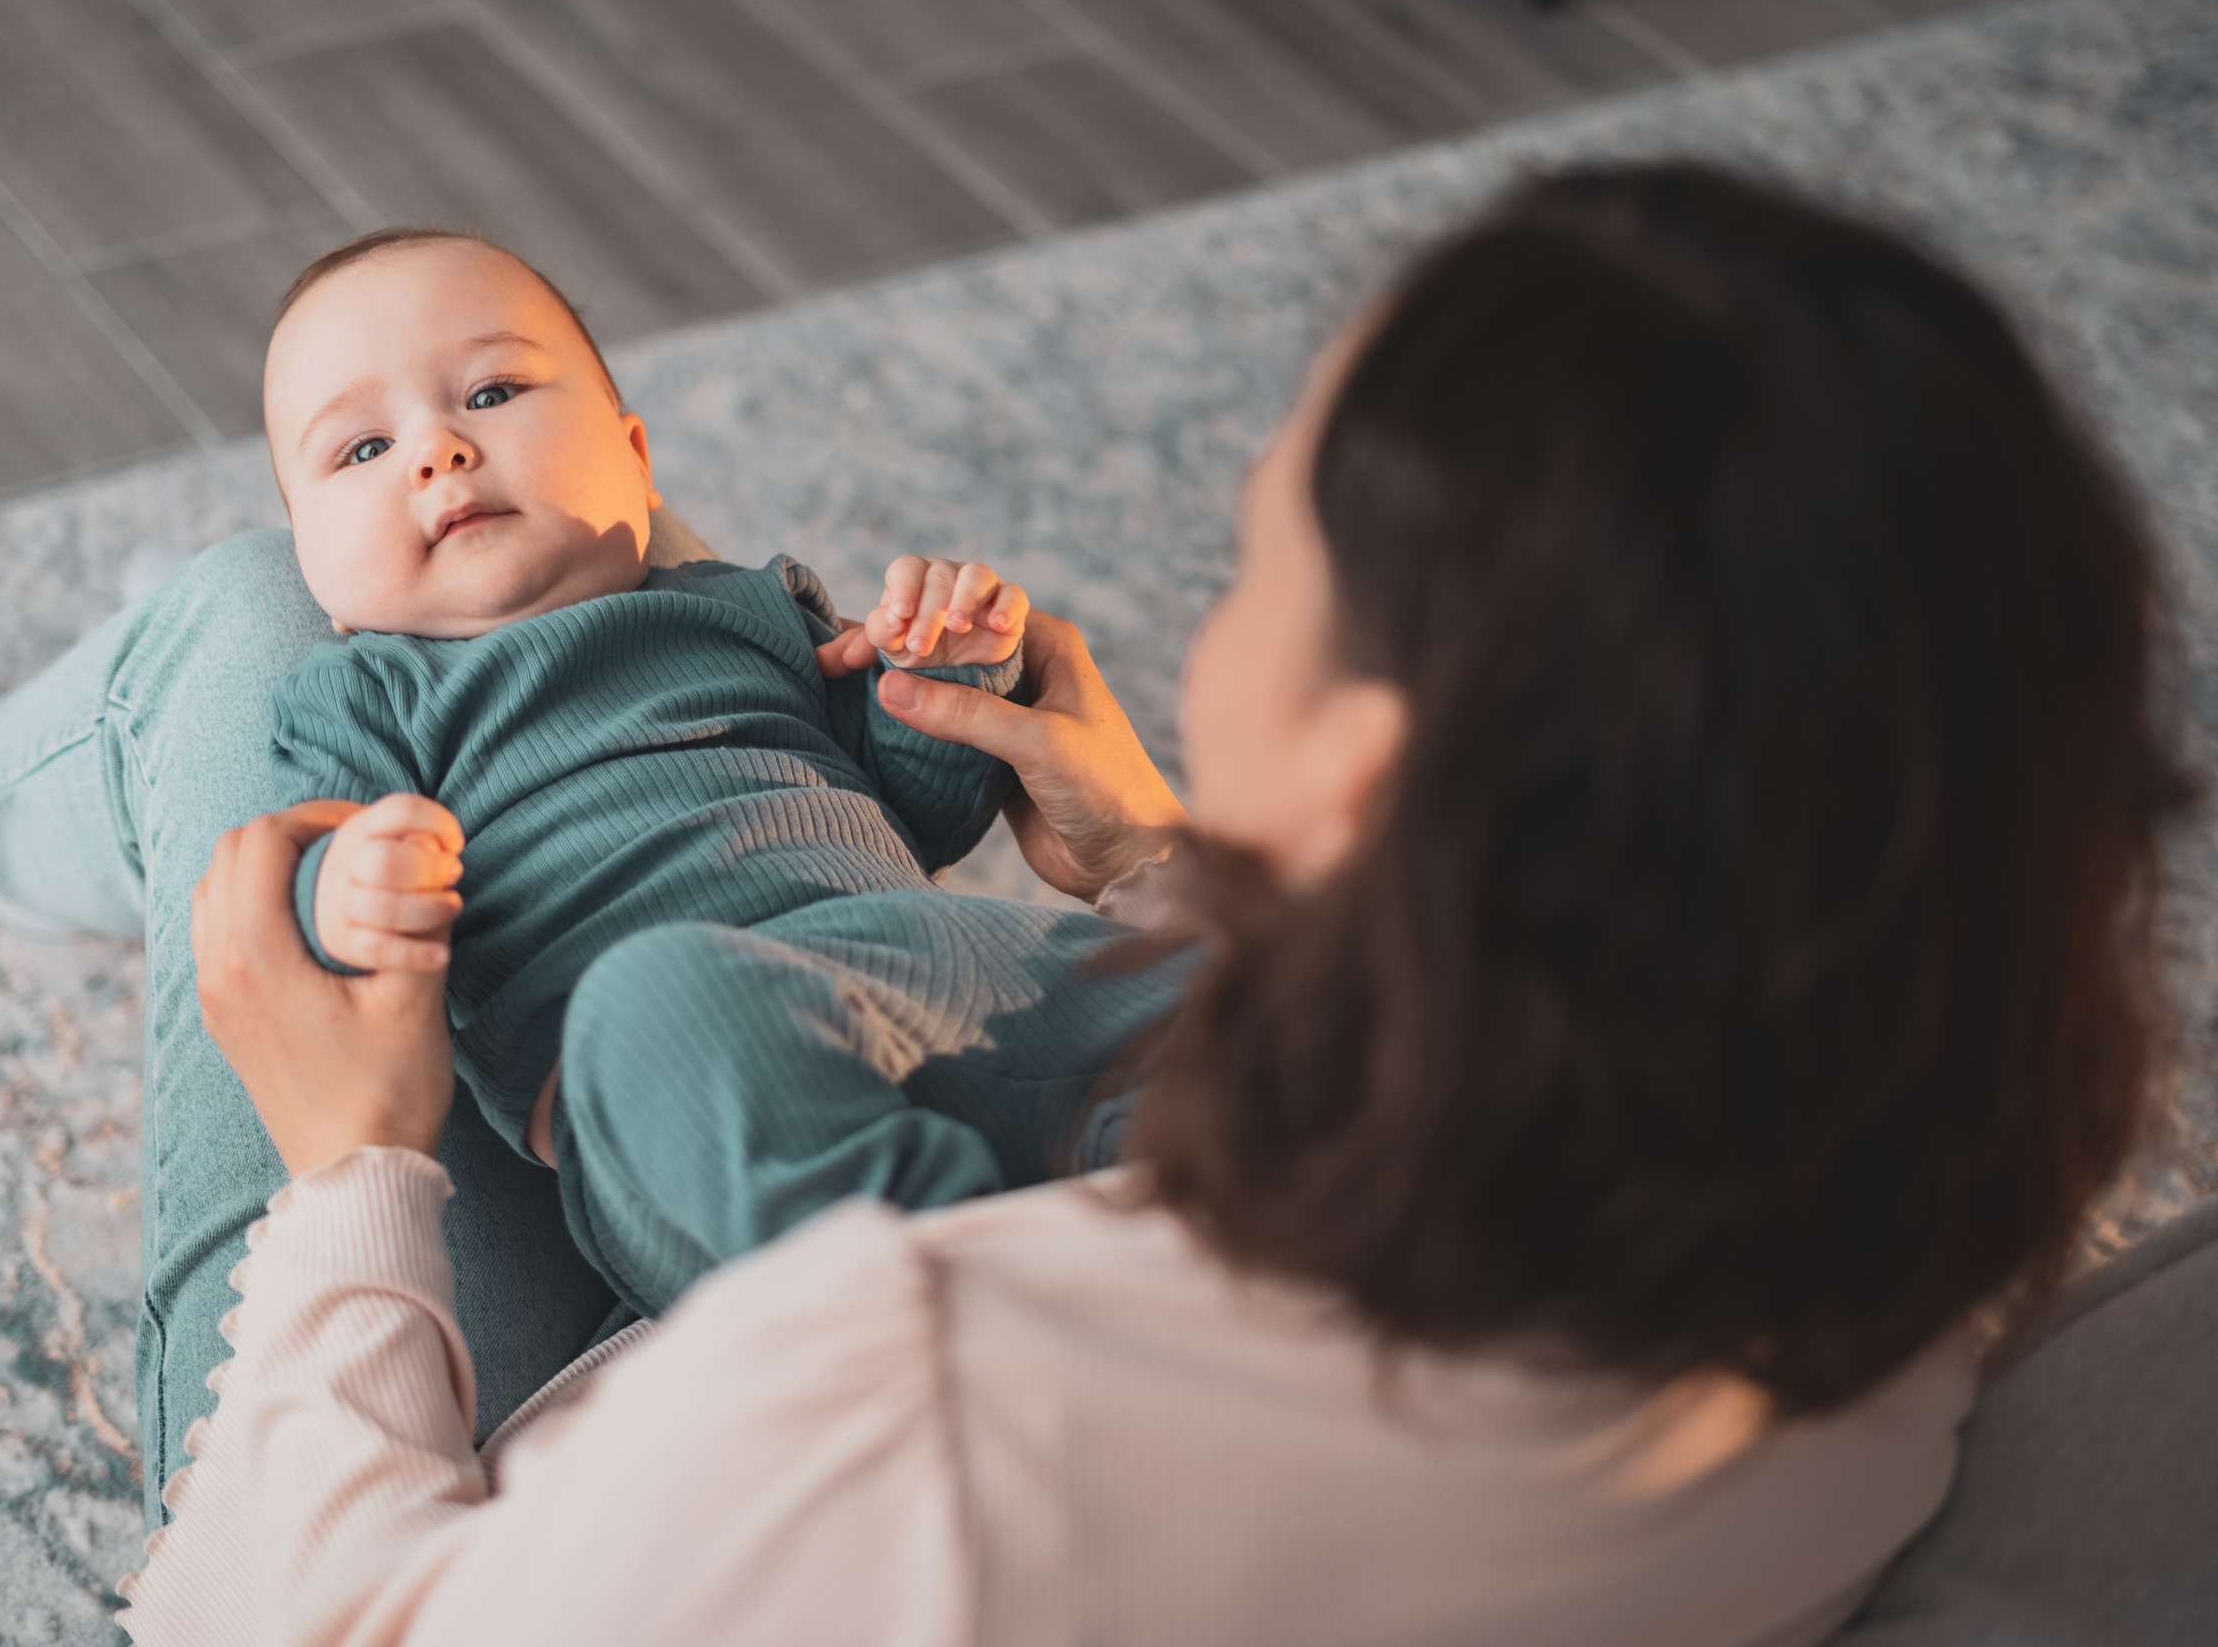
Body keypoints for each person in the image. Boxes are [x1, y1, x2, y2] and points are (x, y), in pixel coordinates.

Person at [105, 161, 2188, 1643]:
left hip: (655, 1301)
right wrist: (1170, 860)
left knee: (229, 609)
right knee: (494, 579)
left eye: (1256, 556)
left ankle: (25, 755)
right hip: (993, 1055)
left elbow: (306, 1618)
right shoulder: (1899, 1245)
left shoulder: (891, 1389)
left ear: (1369, 774)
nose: (1211, 623)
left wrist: (351, 1159)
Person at [257, 226, 1186, 1322]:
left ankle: (1191, 1202)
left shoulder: (744, 606)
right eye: (362, 451)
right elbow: (301, 913)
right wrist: (352, 887)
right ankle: (961, 1321)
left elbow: (920, 814)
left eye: (494, 390)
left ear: (636, 460)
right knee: (666, 1001)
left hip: (930, 967)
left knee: (1234, 985)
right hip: (672, 1068)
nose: (439, 450)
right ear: (315, 574)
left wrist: (940, 667)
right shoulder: (361, 694)